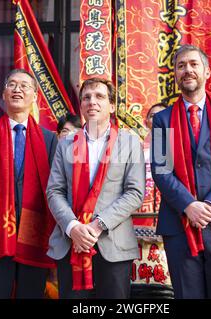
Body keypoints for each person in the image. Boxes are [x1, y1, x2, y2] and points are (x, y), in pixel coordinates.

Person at [151, 45, 211, 299]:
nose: (188, 70)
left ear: (207, 71)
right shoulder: (163, 119)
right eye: (181, 65)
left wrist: (208, 204)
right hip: (179, 223)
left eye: (194, 64)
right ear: (175, 74)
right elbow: (162, 171)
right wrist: (189, 206)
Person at [46, 78, 145, 299]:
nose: (92, 101)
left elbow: (135, 192)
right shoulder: (66, 144)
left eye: (100, 96)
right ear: (80, 106)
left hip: (113, 244)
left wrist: (98, 225)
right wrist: (73, 226)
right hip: (71, 241)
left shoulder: (129, 143)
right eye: (86, 97)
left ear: (111, 106)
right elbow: (54, 191)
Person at [0, 69, 58, 299]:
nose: (18, 89)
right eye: (12, 84)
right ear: (4, 93)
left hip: (34, 235)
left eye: (24, 86)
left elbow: (53, 187)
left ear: (35, 96)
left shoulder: (49, 139)